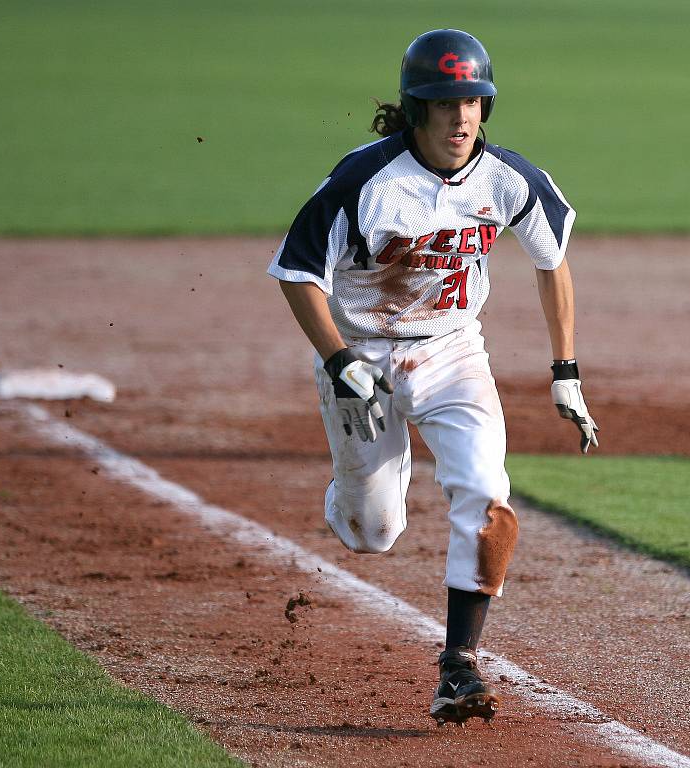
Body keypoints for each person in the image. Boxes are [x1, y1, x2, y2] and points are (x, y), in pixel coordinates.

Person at [267, 28, 598, 726]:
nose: (461, 117)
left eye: (473, 101)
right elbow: (297, 273)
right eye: (444, 103)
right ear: (415, 108)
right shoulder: (364, 180)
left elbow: (552, 259)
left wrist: (563, 370)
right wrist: (336, 360)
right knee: (372, 531)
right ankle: (353, 490)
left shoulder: (508, 178)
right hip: (360, 355)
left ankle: (458, 664)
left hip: (451, 350)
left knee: (485, 488)